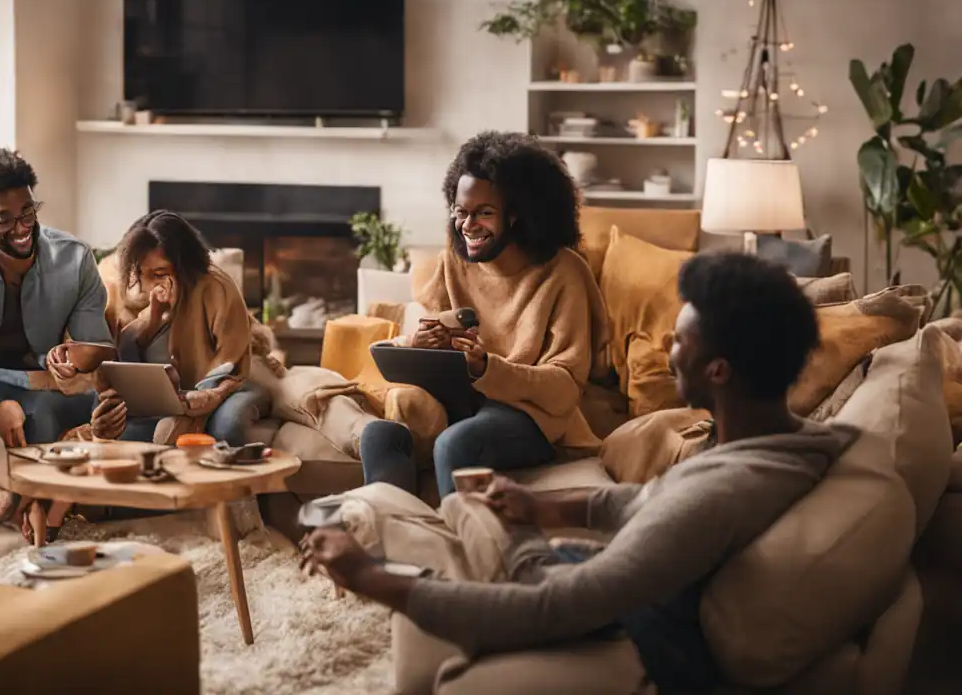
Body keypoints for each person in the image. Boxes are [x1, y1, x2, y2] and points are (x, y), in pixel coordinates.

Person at [302, 252, 856, 691]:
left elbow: (555, 607)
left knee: (389, 527)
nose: (665, 345)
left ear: (717, 369)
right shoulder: (772, 440)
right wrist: (541, 507)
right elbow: (648, 503)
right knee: (449, 508)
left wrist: (369, 577)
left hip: (634, 638)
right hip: (600, 588)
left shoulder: (724, 489)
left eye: (680, 338)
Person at [359, 131, 608, 498]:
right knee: (379, 434)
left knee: (455, 444)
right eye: (460, 212)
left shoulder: (563, 272)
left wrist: (485, 368)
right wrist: (417, 343)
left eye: (483, 213)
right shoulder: (451, 264)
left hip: (528, 415)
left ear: (518, 214)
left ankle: (463, 550)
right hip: (455, 405)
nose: (467, 225)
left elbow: (564, 388)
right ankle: (388, 541)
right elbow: (424, 342)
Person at [0, 148, 113, 448]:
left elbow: (98, 346)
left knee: (48, 412)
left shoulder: (74, 258)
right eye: (4, 220)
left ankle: (41, 493)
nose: (22, 228)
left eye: (28, 212)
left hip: (44, 383)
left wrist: (71, 358)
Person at [90, 210, 267, 444]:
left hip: (229, 390)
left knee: (227, 426)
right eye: (143, 274)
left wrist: (211, 395)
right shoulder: (144, 298)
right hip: (173, 401)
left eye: (159, 273)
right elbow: (124, 356)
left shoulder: (217, 287)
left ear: (183, 263)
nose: (150, 283)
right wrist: (153, 317)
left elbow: (232, 365)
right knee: (122, 429)